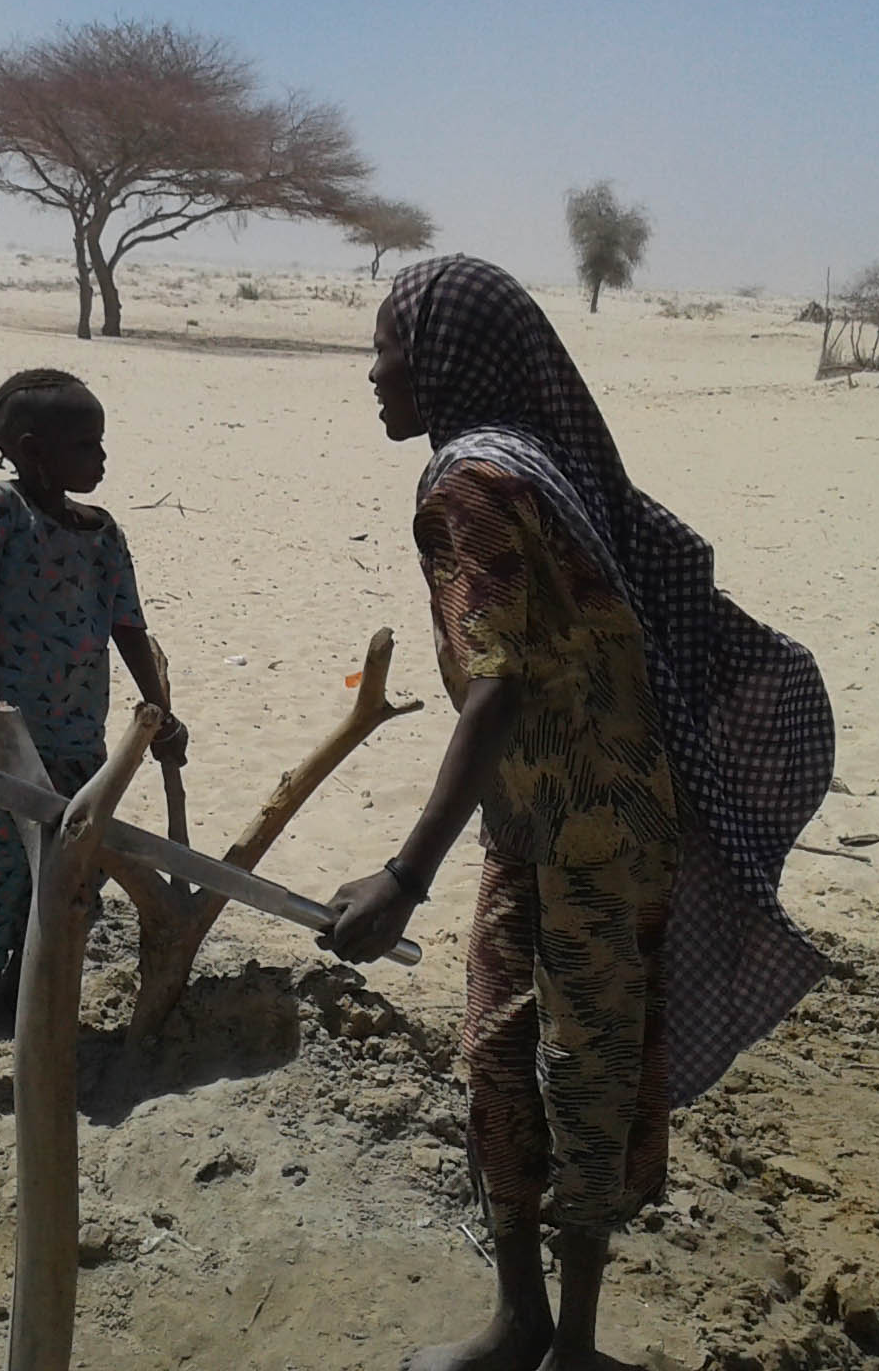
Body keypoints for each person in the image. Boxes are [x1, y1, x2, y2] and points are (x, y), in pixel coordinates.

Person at [323, 257, 834, 1371]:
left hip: (583, 835)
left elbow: (496, 683)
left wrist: (403, 876)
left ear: (446, 362)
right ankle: (532, 1325)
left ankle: (566, 1344)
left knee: (564, 1060)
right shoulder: (532, 460)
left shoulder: (469, 483)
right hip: (579, 823)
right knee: (531, 1053)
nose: (372, 374)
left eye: (389, 351)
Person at [0, 367, 188, 1040]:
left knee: (77, 861)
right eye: (85, 445)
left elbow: (129, 626)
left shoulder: (102, 534)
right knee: (9, 860)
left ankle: (31, 979)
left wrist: (159, 711)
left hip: (76, 733)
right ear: (31, 450)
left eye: (101, 443)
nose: (101, 458)